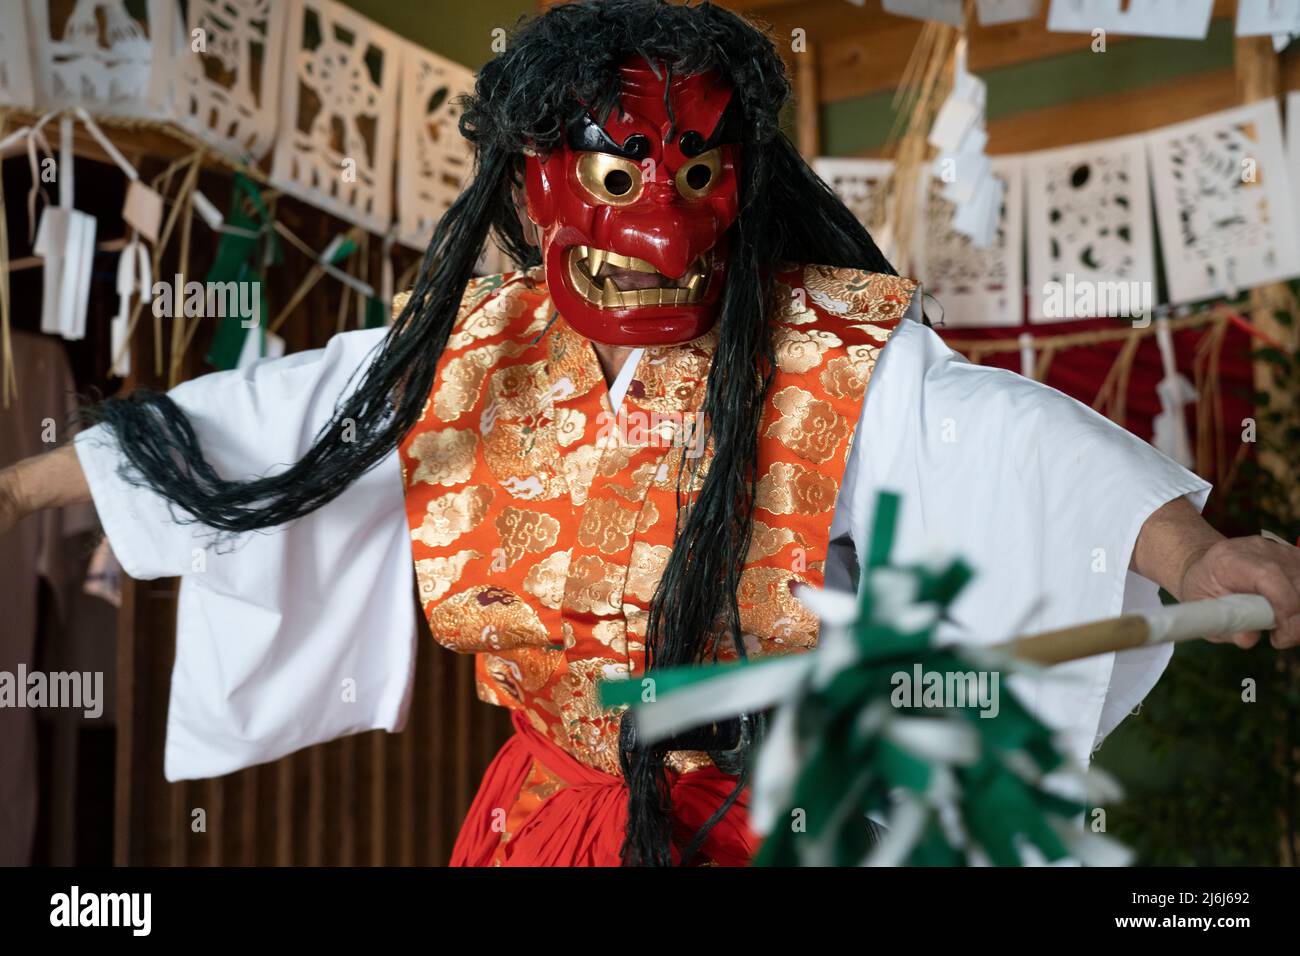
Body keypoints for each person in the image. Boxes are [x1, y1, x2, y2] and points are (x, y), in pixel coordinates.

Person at [2, 0, 1298, 867]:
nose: (658, 228)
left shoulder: (832, 350)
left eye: (692, 177)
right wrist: (18, 494)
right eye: (617, 178)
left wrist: (1195, 560)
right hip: (549, 820)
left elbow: (1015, 445)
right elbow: (248, 427)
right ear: (530, 184)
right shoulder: (462, 354)